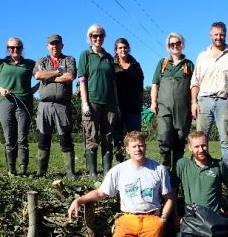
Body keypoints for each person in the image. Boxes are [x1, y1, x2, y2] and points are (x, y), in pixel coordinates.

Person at [68, 131, 173, 237]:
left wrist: (162, 219)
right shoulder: (118, 170)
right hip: (127, 220)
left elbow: (169, 197)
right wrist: (79, 200)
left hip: (151, 220)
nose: (138, 149)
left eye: (141, 145)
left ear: (145, 146)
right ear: (127, 149)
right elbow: (101, 193)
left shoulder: (159, 169)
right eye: (134, 146)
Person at [190, 21, 228, 177]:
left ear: (226, 34)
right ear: (210, 35)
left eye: (222, 34)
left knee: (226, 141)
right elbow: (195, 81)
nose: (219, 37)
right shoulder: (202, 55)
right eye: (216, 35)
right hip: (204, 101)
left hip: (225, 101)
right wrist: (193, 102)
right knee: (200, 140)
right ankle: (200, 172)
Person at [32, 34, 77, 179]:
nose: (54, 46)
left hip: (63, 105)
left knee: (65, 138)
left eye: (57, 44)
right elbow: (38, 75)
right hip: (44, 105)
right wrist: (58, 73)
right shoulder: (41, 60)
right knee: (43, 137)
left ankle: (70, 172)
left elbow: (70, 77)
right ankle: (41, 171)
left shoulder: (69, 59)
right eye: (52, 44)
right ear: (47, 46)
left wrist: (49, 77)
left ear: (62, 45)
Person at [78, 24, 119, 178]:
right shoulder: (85, 55)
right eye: (94, 36)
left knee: (108, 137)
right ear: (90, 37)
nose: (98, 38)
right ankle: (93, 173)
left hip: (109, 103)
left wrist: (116, 104)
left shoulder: (109, 57)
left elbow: (113, 83)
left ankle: (107, 172)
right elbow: (82, 79)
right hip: (92, 101)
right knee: (92, 136)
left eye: (101, 36)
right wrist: (84, 103)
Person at [0, 37, 36, 176]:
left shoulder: (30, 64)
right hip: (5, 102)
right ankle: (12, 169)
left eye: (18, 47)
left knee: (22, 137)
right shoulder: (0, 63)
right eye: (11, 47)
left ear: (22, 48)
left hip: (24, 103)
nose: (15, 50)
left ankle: (23, 169)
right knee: (10, 138)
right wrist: (1, 90)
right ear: (7, 49)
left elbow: (41, 76)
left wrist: (35, 89)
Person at [150, 32, 194, 172]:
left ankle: (177, 174)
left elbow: (194, 86)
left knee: (180, 141)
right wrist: (153, 103)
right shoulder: (162, 63)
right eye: (171, 44)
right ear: (168, 47)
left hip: (183, 110)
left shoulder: (189, 65)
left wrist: (194, 103)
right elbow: (155, 84)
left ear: (182, 45)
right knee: (164, 139)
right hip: (164, 108)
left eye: (177, 43)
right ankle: (164, 172)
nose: (175, 46)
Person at [113, 37, 144, 163]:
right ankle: (121, 162)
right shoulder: (111, 65)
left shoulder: (136, 65)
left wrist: (139, 102)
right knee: (118, 137)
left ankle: (135, 162)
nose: (123, 50)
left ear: (128, 48)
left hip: (133, 108)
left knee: (135, 137)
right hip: (117, 107)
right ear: (116, 50)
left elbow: (140, 85)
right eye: (120, 48)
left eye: (125, 47)